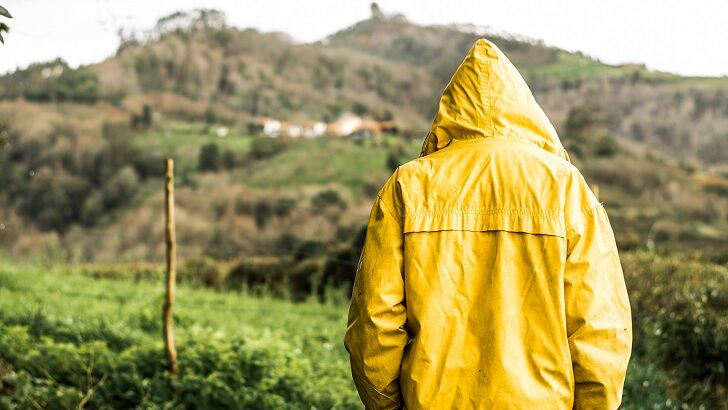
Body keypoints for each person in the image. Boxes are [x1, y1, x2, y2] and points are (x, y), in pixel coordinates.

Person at [344, 38, 632, 409]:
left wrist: (388, 406)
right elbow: (601, 329)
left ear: (451, 110)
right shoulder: (566, 187)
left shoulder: (407, 186)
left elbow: (374, 325)